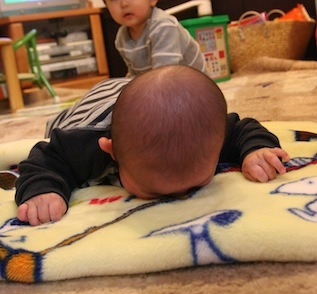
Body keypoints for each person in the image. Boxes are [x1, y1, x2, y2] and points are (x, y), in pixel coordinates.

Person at [15, 65, 290, 226]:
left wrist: (256, 149)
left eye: (195, 186)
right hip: (91, 106)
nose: (177, 199)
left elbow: (244, 128)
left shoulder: (207, 132)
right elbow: (43, 158)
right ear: (112, 151)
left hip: (134, 93)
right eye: (150, 191)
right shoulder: (86, 143)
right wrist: (44, 189)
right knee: (51, 129)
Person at [98, 0, 208, 76]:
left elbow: (165, 74)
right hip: (158, 83)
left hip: (192, 85)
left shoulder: (164, 26)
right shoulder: (121, 37)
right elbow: (136, 74)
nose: (124, 3)